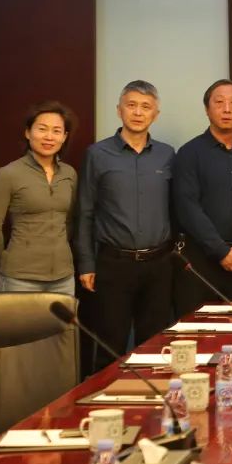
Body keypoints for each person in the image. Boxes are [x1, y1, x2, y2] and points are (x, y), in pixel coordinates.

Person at [76, 81, 175, 365]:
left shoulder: (167, 155)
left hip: (158, 265)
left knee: (154, 347)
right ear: (119, 110)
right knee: (110, 345)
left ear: (155, 114)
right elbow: (84, 212)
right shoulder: (97, 154)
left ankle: (151, 396)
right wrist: (86, 264)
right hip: (113, 265)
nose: (138, 113)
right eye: (131, 105)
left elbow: (175, 208)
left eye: (146, 107)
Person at [173, 79, 232, 315]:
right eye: (219, 102)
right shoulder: (189, 153)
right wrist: (220, 251)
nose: (227, 109)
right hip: (201, 262)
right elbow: (187, 208)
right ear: (207, 109)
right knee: (199, 330)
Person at [0, 101, 78, 295]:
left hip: (63, 276)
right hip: (20, 277)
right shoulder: (8, 174)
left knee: (64, 318)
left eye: (56, 131)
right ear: (28, 132)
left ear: (64, 137)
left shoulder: (70, 173)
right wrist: (1, 264)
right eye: (42, 129)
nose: (49, 137)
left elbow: (70, 221)